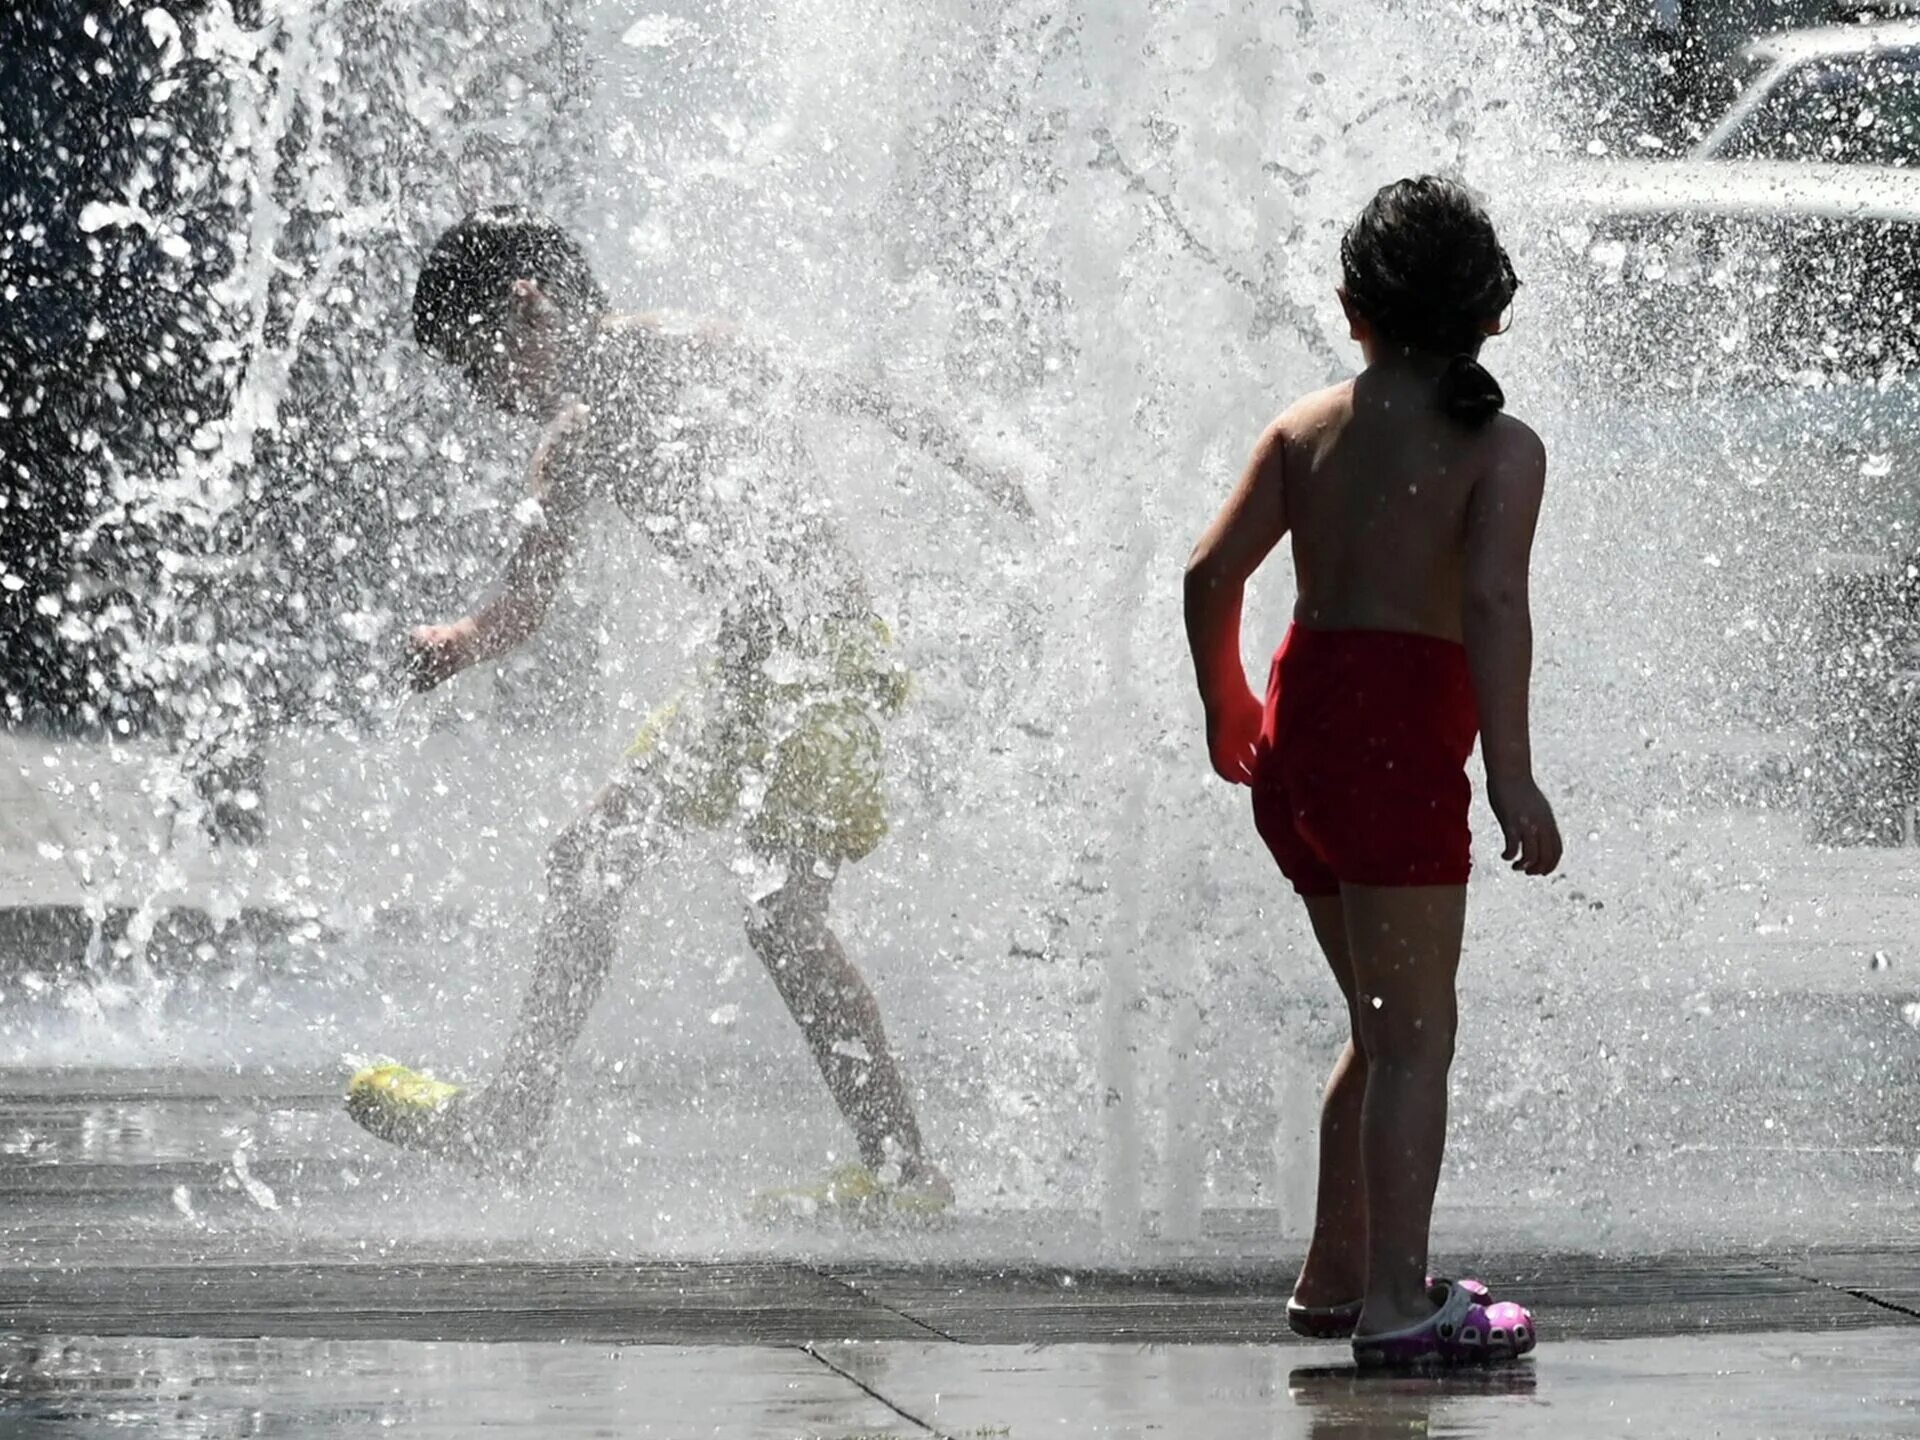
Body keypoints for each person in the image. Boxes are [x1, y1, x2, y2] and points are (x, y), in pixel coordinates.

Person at [346, 206, 1028, 1215]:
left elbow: (854, 390)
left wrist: (990, 474)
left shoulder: (682, 351)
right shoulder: (573, 444)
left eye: (474, 362)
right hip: (743, 676)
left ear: (527, 307)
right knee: (589, 860)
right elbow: (523, 607)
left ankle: (902, 1172)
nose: (482, 395)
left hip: (829, 663)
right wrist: (461, 641)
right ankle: (515, 1115)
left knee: (783, 918)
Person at [1183, 177, 1560, 1365]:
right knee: (1413, 1045)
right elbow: (1493, 605)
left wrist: (1227, 703)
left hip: (1300, 744)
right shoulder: (1499, 447)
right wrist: (1512, 774)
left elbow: (1208, 576)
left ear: (1353, 308)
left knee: (1379, 1022)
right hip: (1395, 749)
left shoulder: (1305, 428)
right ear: (1492, 312)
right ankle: (1401, 1302)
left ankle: (1336, 1276)